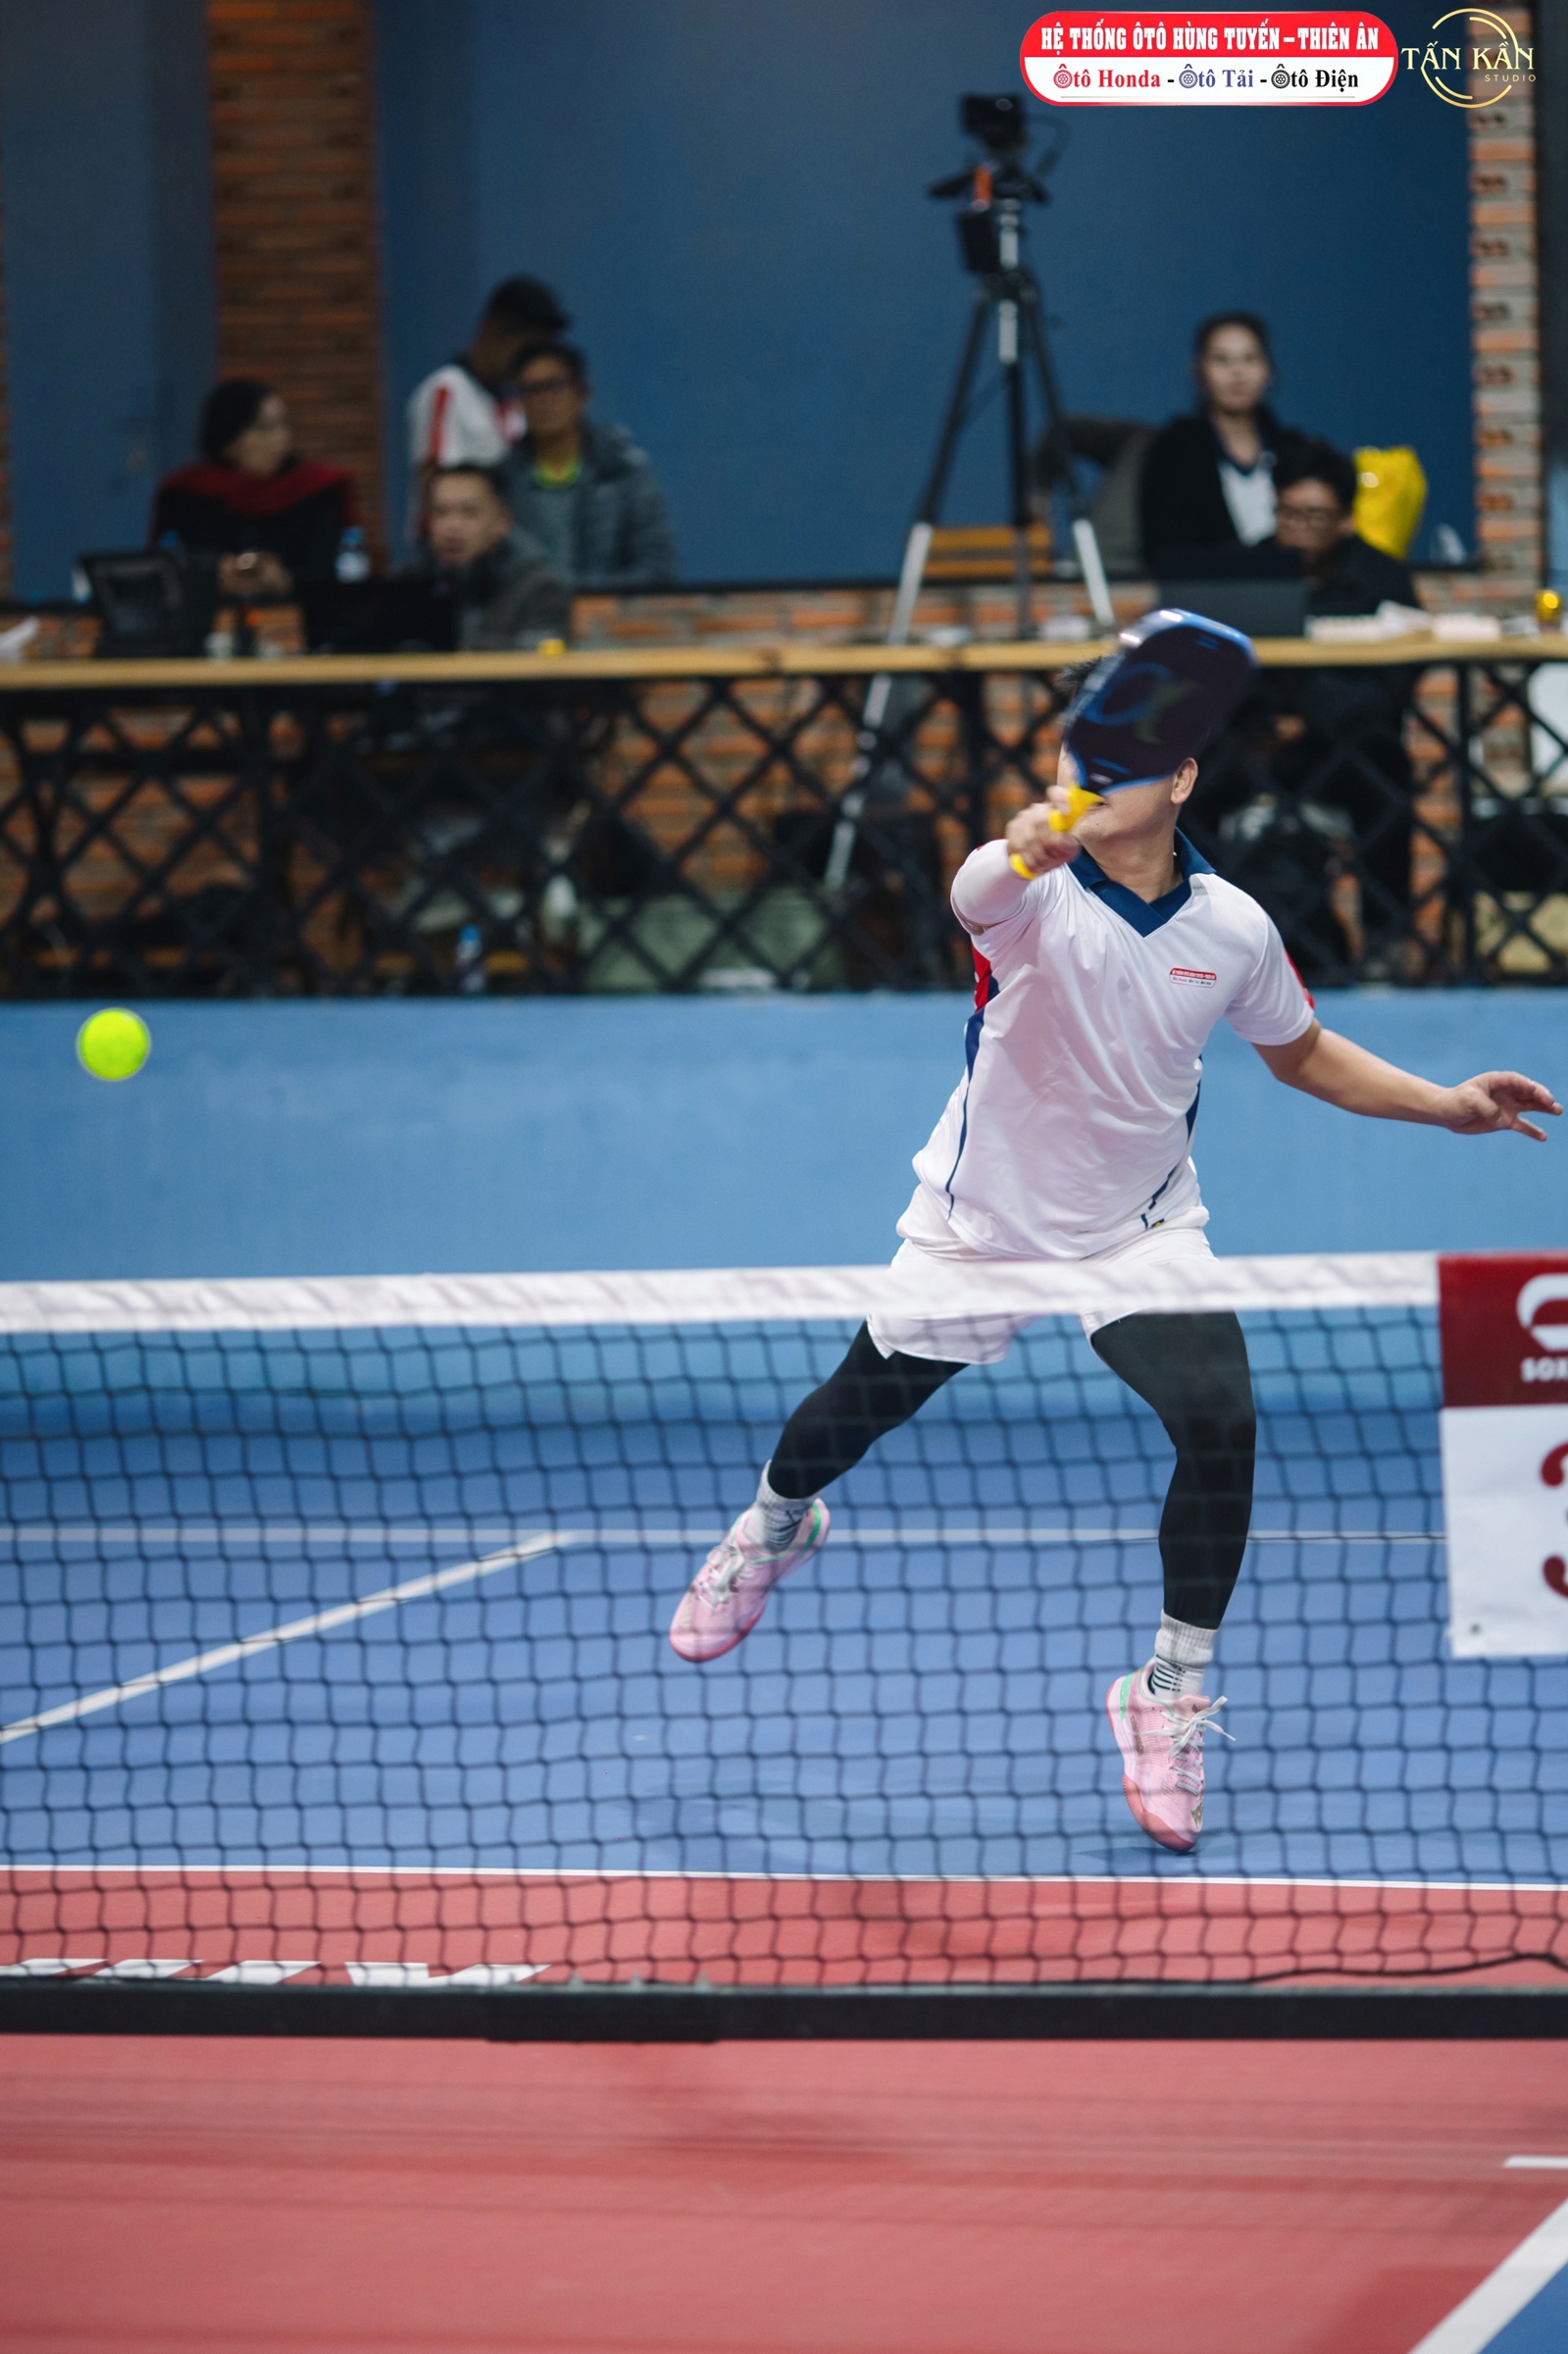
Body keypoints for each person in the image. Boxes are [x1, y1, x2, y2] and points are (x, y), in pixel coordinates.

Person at [665, 613, 1559, 1856]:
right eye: (1076, 757)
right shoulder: (1025, 894)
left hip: (1139, 1229)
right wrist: (1024, 845)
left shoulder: (1232, 928)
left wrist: (1447, 1106)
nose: (1088, 780)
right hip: (981, 1227)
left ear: (1181, 776)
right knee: (847, 1414)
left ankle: (1167, 1689)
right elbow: (979, 885)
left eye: (1120, 761)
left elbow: (1301, 1052)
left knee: (1221, 1421)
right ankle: (774, 1524)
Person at [1139, 313, 1308, 573]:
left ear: (1268, 369)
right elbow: (1167, 548)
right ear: (1198, 371)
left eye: (1249, 358)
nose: (1237, 372)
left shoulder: (1297, 451)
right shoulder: (1174, 449)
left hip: (1290, 586)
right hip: (1203, 588)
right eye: (1221, 359)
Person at [151, 381, 355, 595]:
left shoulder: (312, 490)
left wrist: (285, 580)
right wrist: (211, 574)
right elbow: (166, 571)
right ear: (230, 439)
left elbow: (330, 574)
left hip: (297, 611)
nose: (282, 438)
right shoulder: (188, 493)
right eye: (266, 428)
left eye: (284, 425)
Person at [502, 341, 677, 590]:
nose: (543, 400)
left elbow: (658, 569)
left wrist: (587, 598)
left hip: (610, 612)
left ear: (582, 394)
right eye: (530, 390)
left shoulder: (624, 470)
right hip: (529, 613)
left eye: (553, 387)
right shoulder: (503, 480)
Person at [415, 464, 571, 647]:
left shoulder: (540, 591)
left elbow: (539, 657)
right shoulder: (408, 587)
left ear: (502, 522)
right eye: (440, 512)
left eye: (469, 512)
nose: (452, 526)